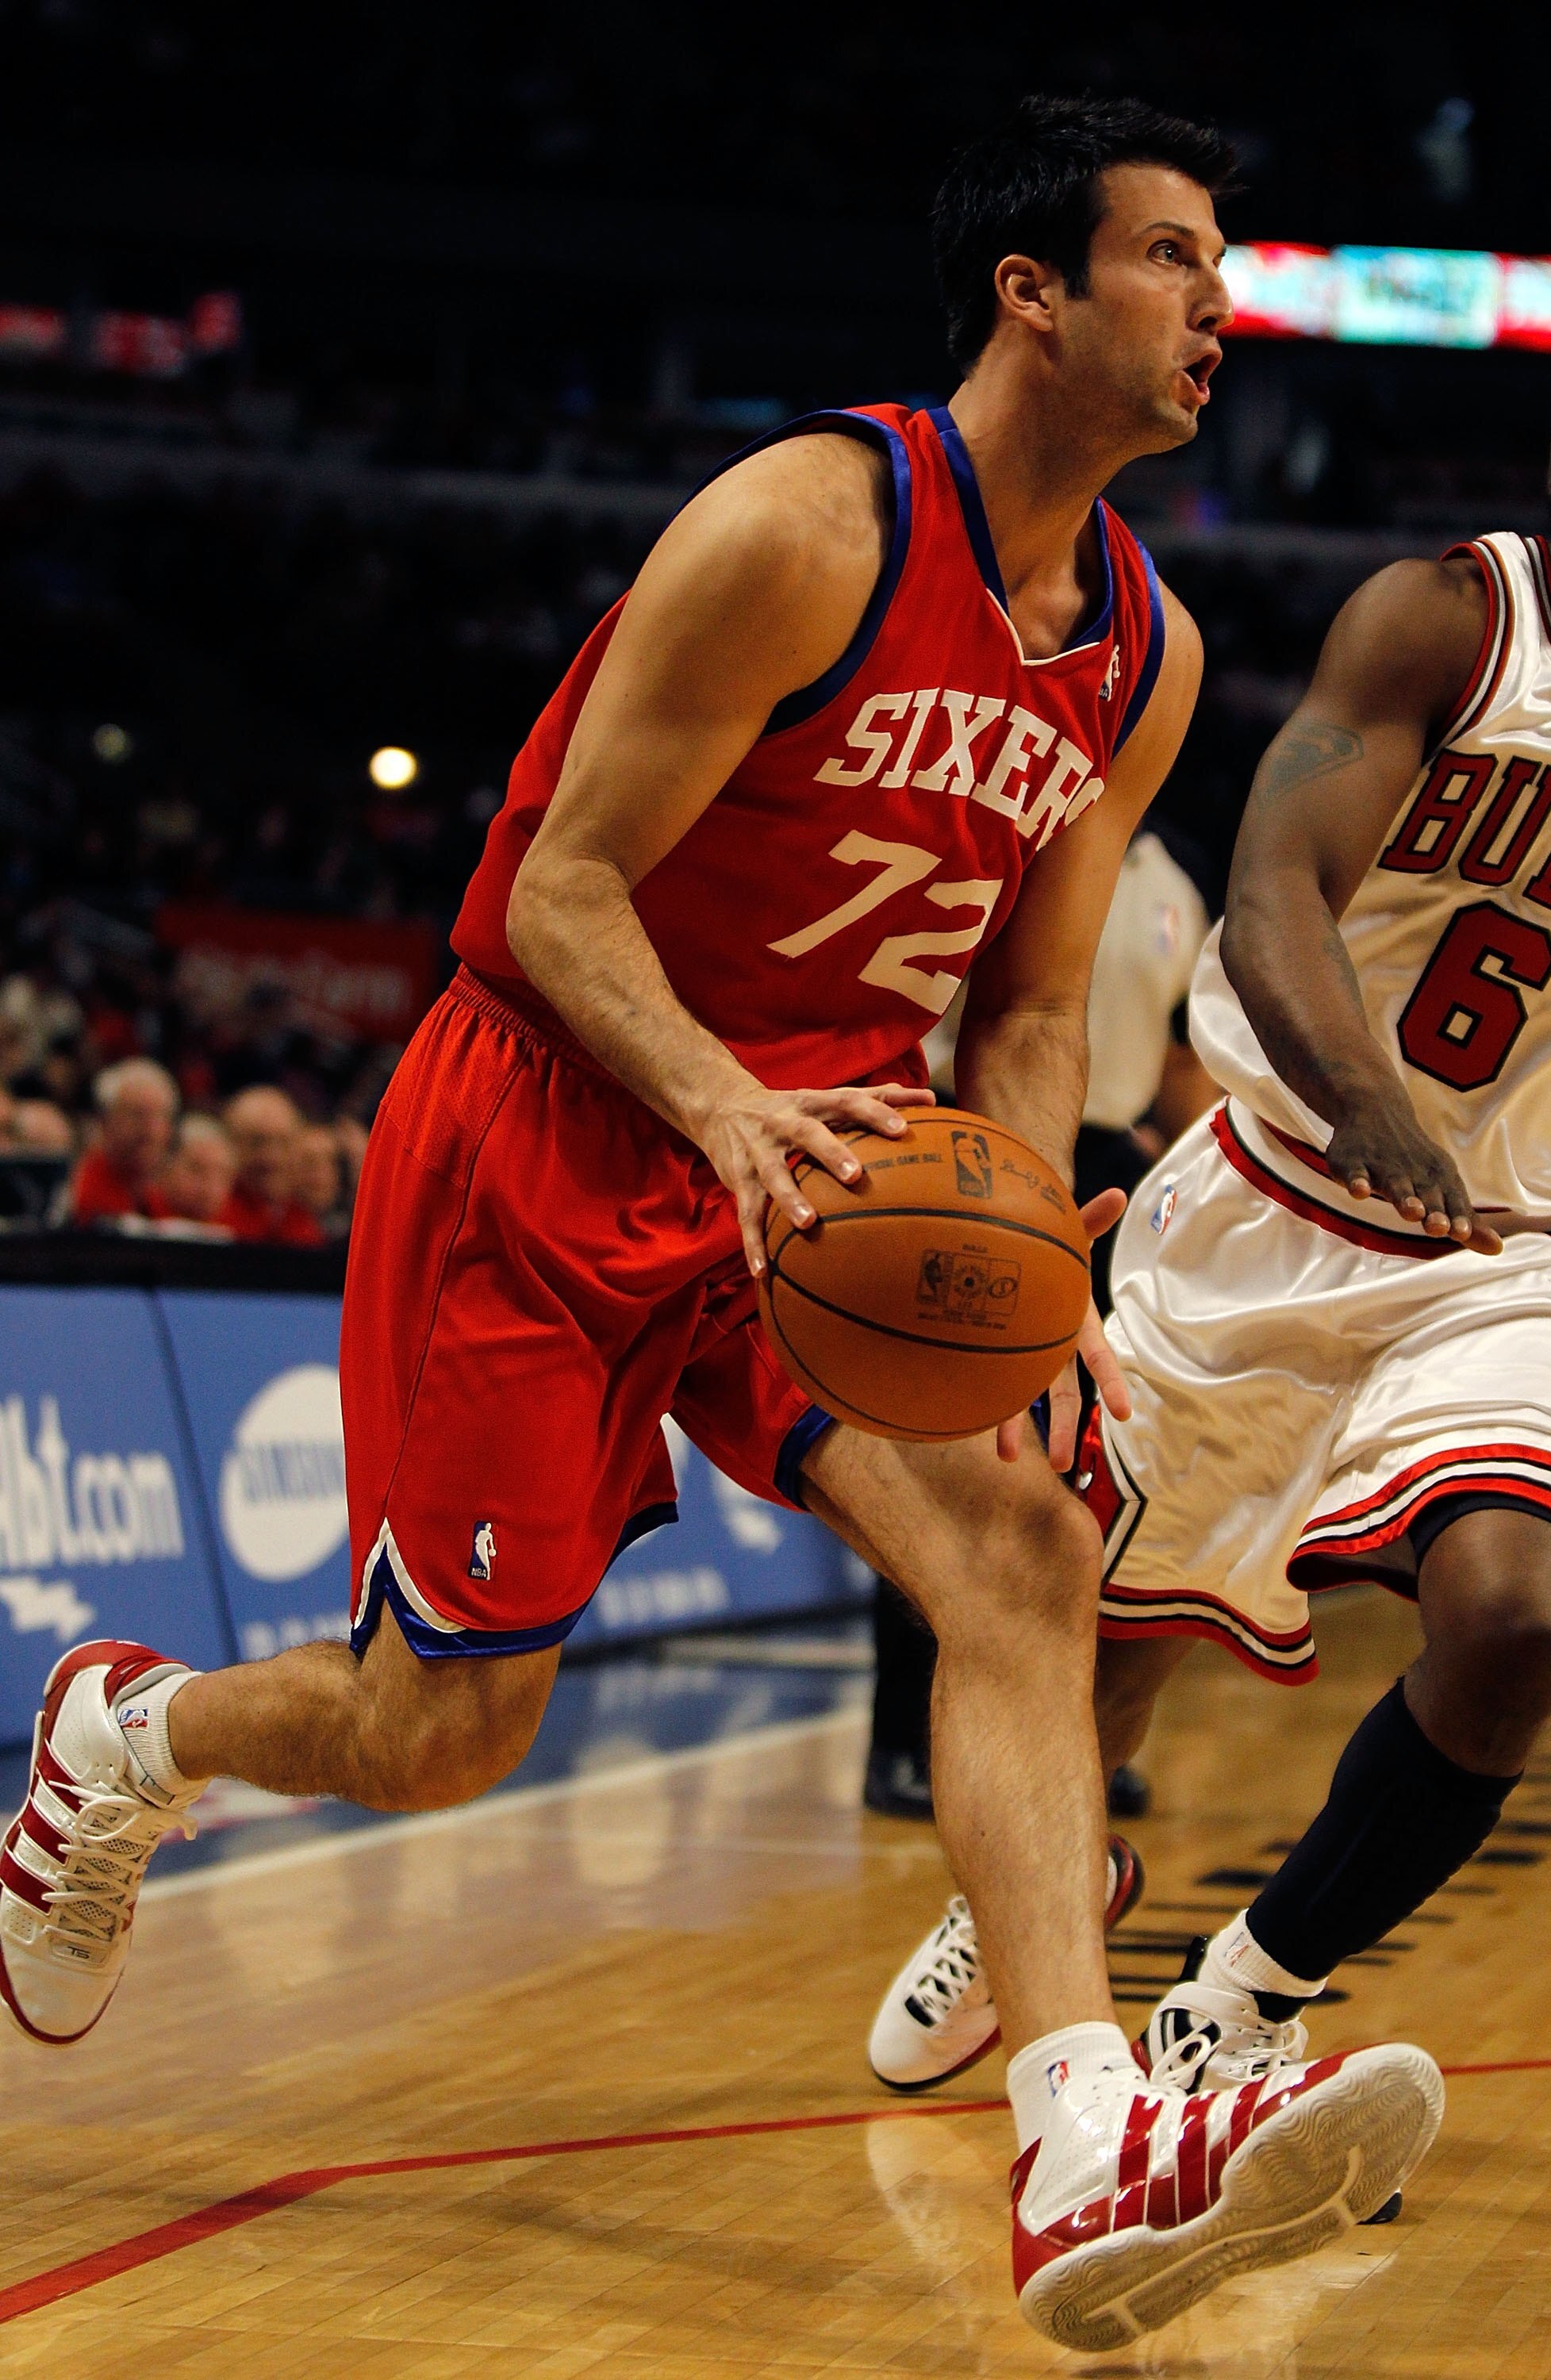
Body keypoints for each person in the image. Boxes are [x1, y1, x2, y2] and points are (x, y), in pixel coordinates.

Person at [0, 97, 1440, 2350]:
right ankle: (135, 1736)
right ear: (1029, 292)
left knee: (1025, 1549)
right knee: (441, 1734)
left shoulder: (1140, 653)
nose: (1215, 305)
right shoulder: (801, 529)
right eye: (1170, 256)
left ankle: (1080, 2136)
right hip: (556, 1127)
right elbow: (560, 890)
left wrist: (1033, 1252)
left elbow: (1029, 1001)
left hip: (835, 1169)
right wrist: (714, 1104)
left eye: (1219, 265)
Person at [867, 304, 1551, 2146]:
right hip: (1278, 1194)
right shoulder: (1449, 619)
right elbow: (1276, 884)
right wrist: (1370, 1102)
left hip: (1532, 1250)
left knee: (1519, 1619)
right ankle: (1043, 1878)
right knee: (1099, 1649)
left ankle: (1243, 1997)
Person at [862, 820, 1216, 1823]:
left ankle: (1064, 1735)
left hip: (1102, 1167)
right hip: (964, 1144)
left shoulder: (1176, 883)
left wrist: (1201, 1183)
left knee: (1090, 1462)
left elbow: (1181, 1059)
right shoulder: (1001, 836)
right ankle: (904, 1741)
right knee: (949, 1462)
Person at [66, 1058, 179, 1223]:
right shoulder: (77, 1191)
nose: (150, 1131)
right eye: (137, 1115)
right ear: (106, 1121)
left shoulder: (173, 1194)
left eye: (160, 1116)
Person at [220, 1084, 325, 1245]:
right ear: (231, 1144)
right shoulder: (215, 1219)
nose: (272, 1158)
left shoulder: (306, 1224)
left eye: (284, 1142)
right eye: (257, 1142)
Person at [163, 1113, 239, 1230]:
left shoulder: (240, 1231)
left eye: (221, 1176)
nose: (209, 1187)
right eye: (197, 1170)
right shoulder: (140, 1212)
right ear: (168, 1166)